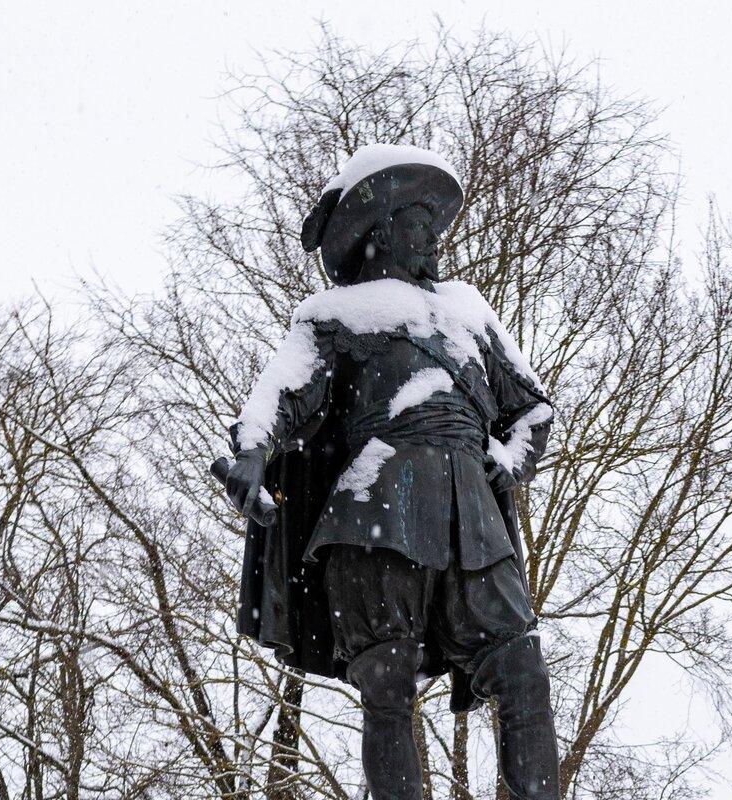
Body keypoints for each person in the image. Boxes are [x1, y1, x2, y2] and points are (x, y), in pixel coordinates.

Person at [220, 144, 559, 799]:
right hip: (377, 505)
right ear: (378, 238)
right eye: (417, 222)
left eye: (436, 223)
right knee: (388, 678)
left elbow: (534, 407)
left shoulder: (469, 313)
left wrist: (510, 460)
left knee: (520, 663)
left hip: (472, 515)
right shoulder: (339, 314)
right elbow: (283, 395)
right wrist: (251, 454)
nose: (433, 235)